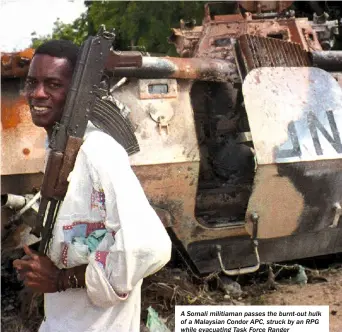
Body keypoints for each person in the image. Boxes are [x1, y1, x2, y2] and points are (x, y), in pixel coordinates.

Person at [13, 40, 172, 332]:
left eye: (53, 84)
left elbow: (150, 247)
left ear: (75, 93)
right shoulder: (59, 147)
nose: (37, 94)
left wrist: (61, 280)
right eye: (32, 82)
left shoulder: (98, 151)